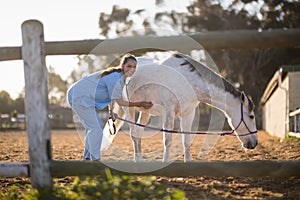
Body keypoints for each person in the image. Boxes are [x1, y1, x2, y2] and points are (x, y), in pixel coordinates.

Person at [67, 54, 153, 160]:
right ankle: (95, 159)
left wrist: (111, 112)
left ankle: (87, 158)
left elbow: (111, 96)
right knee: (95, 128)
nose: (132, 69)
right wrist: (140, 104)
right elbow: (120, 102)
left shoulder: (120, 78)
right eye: (129, 66)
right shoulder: (115, 78)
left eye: (134, 67)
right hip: (78, 96)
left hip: (81, 96)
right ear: (122, 66)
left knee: (93, 128)